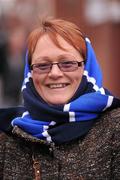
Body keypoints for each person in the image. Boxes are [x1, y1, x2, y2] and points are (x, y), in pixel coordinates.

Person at [0, 18, 120, 180]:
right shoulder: (7, 136)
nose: (55, 73)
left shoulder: (115, 129)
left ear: (87, 67)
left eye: (67, 63)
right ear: (30, 72)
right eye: (43, 65)